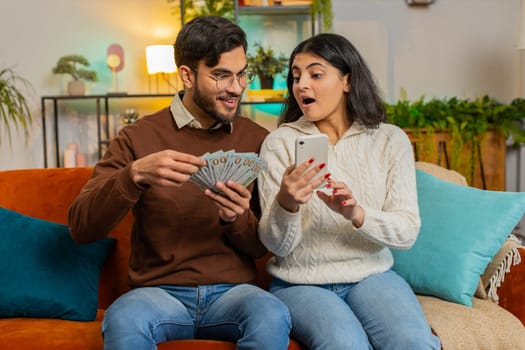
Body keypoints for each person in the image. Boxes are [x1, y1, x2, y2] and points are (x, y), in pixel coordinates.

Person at [68, 16, 291, 350]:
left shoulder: (257, 139)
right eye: (221, 76)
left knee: (272, 314)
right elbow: (81, 227)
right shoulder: (137, 137)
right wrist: (133, 176)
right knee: (123, 318)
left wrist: (236, 219)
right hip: (158, 294)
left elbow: (261, 247)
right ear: (187, 75)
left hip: (233, 294)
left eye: (242, 73)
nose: (236, 87)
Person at [257, 33, 441, 350]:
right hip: (299, 283)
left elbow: (406, 233)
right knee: (345, 344)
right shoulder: (280, 143)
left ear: (347, 80)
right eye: (296, 76)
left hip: (372, 276)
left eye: (315, 74)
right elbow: (278, 247)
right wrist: (287, 204)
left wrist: (356, 213)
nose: (301, 85)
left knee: (413, 342)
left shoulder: (389, 140)